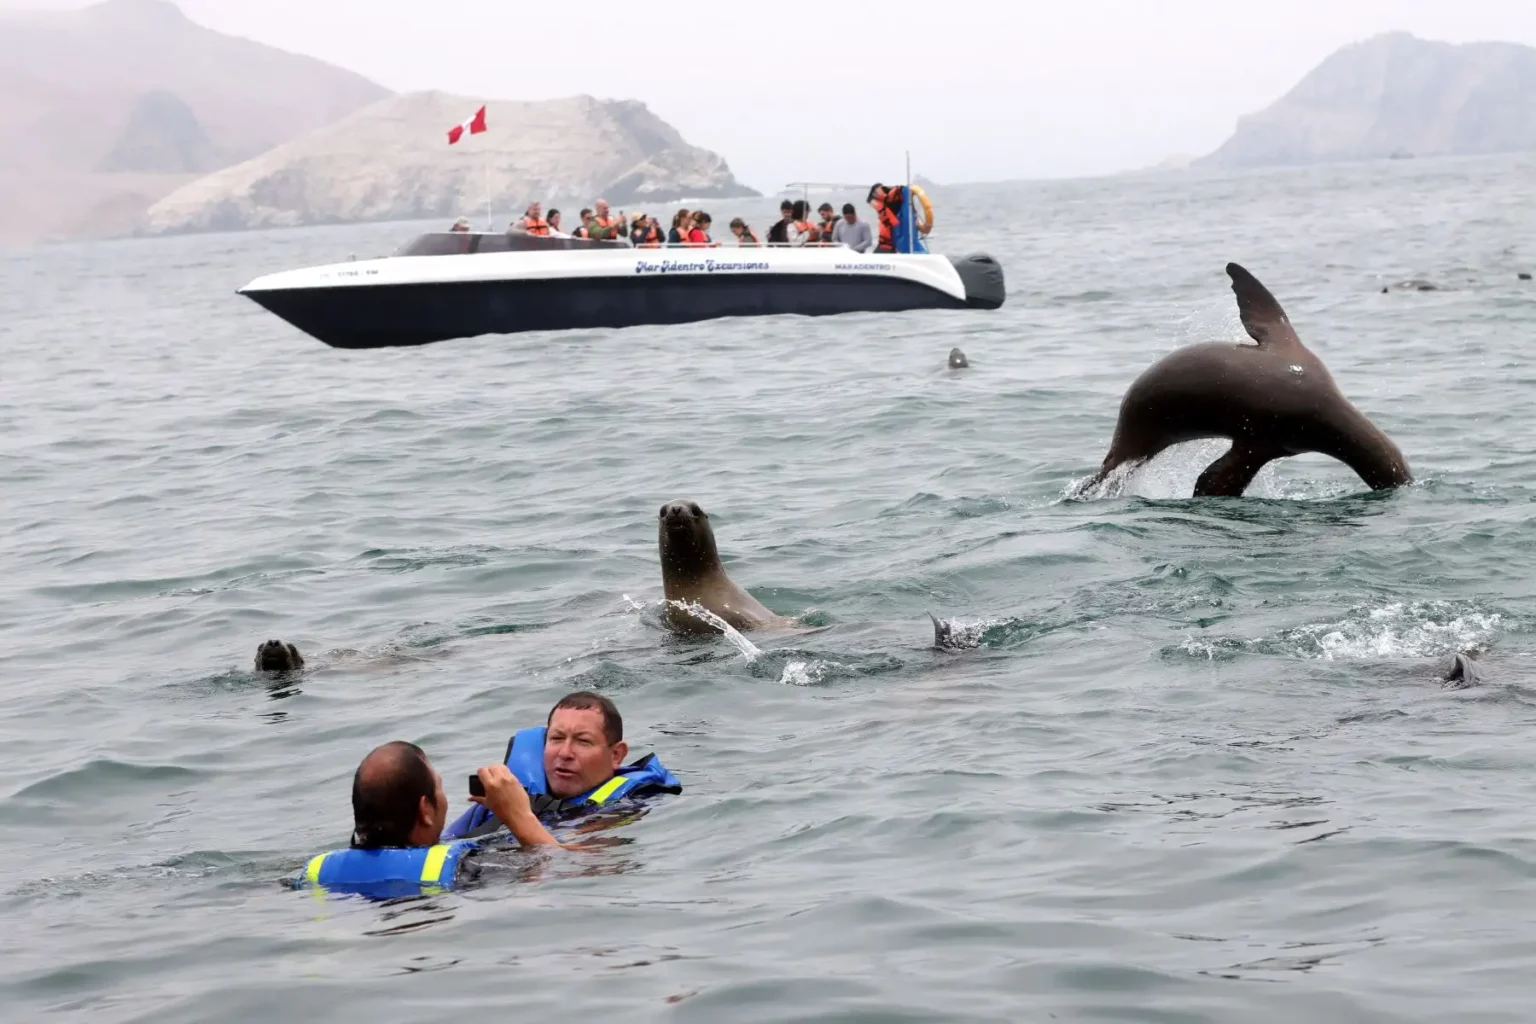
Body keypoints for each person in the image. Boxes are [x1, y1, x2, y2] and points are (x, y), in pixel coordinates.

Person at [296, 741, 557, 898]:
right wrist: (519, 817)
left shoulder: (315, 871)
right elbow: (562, 872)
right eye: (439, 788)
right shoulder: (464, 868)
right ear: (425, 811)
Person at [443, 691, 681, 839]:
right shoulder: (506, 796)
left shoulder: (628, 807)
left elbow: (579, 868)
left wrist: (517, 815)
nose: (565, 753)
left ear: (616, 755)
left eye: (583, 742)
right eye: (556, 739)